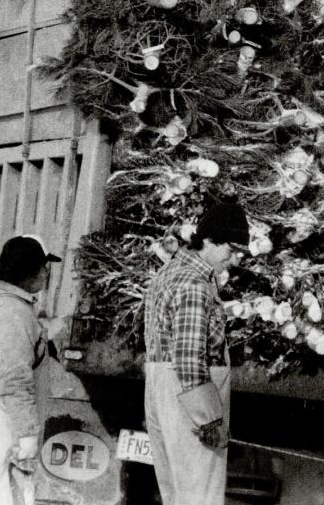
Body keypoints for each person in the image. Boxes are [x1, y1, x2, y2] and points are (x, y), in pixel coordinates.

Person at [144, 202, 250, 505]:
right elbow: (189, 358)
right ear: (209, 240)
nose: (234, 259)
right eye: (230, 250)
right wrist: (209, 421)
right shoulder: (194, 286)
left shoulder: (169, 272)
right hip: (189, 402)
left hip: (162, 391)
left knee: (176, 494)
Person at [0, 234, 59, 505]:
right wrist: (27, 434)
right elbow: (15, 379)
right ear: (31, 270)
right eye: (44, 267)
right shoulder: (10, 312)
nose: (47, 273)